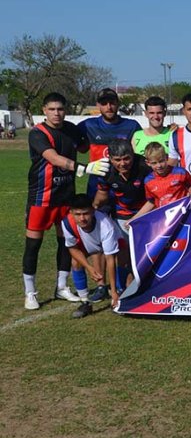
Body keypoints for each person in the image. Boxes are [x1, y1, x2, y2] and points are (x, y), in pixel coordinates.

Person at [22, 92, 107, 310]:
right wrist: (83, 168)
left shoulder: (71, 129)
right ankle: (30, 292)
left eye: (60, 109)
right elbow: (53, 158)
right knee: (33, 245)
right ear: (44, 110)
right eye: (52, 109)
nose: (56, 113)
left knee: (66, 243)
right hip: (41, 197)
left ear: (65, 110)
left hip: (66, 198)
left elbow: (85, 145)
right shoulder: (38, 133)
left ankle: (61, 287)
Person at [92, 139, 150, 298]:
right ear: (110, 158)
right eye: (117, 160)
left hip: (147, 213)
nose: (122, 163)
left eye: (126, 158)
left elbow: (154, 195)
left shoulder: (144, 166)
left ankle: (146, 285)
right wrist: (92, 209)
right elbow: (102, 196)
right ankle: (121, 288)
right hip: (121, 215)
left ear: (133, 155)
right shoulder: (105, 171)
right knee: (123, 254)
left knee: (144, 253)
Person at [62, 194, 124, 318]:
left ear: (93, 211)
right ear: (71, 212)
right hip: (91, 244)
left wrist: (114, 293)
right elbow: (72, 249)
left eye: (85, 213)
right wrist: (89, 268)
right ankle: (85, 302)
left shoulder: (105, 225)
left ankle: (119, 293)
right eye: (77, 214)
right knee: (76, 262)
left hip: (117, 243)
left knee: (123, 264)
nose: (82, 218)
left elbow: (110, 259)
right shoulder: (67, 223)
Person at [78, 88, 142, 201]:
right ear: (98, 105)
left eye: (112, 102)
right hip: (96, 186)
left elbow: (147, 140)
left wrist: (169, 129)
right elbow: (67, 135)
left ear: (118, 104)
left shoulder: (132, 126)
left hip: (124, 187)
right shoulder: (88, 125)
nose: (109, 107)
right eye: (104, 103)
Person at [129, 142, 191, 224]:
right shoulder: (148, 181)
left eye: (161, 161)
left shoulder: (180, 173)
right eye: (154, 163)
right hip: (164, 221)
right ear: (148, 163)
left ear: (166, 157)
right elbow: (151, 202)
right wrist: (134, 218)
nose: (159, 165)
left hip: (184, 217)